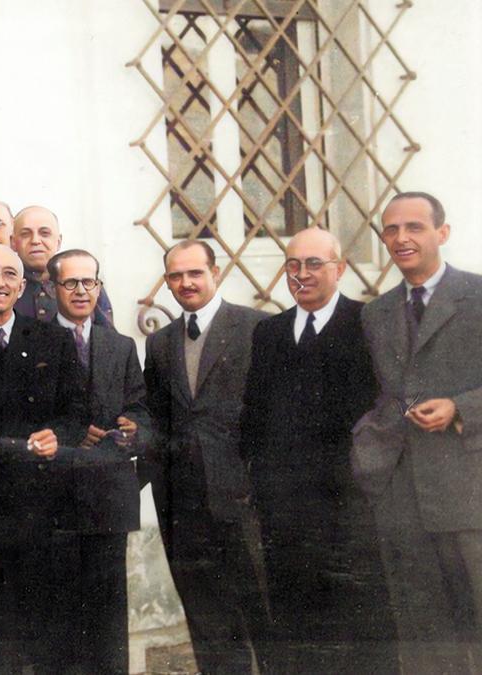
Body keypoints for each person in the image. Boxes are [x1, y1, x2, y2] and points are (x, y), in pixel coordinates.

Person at [240, 227, 396, 673]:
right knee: (295, 624)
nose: (301, 274)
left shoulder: (366, 324)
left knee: (358, 625)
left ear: (340, 269)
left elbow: (390, 403)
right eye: (293, 265)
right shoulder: (268, 332)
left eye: (314, 264)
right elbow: (253, 415)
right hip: (284, 512)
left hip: (350, 506)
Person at [353, 192, 482, 673]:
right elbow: (384, 394)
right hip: (404, 495)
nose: (401, 238)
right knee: (425, 636)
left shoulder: (478, 297)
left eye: (415, 227)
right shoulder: (376, 313)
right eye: (390, 230)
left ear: (442, 233)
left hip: (470, 489)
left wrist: (460, 407)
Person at [0, 243, 89, 672]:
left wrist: (57, 436)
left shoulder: (53, 339)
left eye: (9, 275)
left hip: (42, 502)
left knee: (49, 623)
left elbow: (76, 413)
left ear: (22, 286)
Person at [143, 239, 268, 674]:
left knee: (264, 614)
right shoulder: (159, 343)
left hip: (244, 499)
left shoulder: (258, 328)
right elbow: (155, 419)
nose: (185, 283)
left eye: (195, 273)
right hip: (185, 505)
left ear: (216, 273)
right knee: (208, 620)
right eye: (175, 276)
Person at [47, 248, 148, 674]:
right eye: (71, 282)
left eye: (89, 282)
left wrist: (133, 427)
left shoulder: (120, 345)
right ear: (53, 289)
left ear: (99, 287)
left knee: (109, 608)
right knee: (63, 610)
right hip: (57, 496)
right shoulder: (36, 339)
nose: (81, 290)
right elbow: (29, 414)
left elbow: (141, 406)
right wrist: (71, 435)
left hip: (110, 494)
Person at [12, 205, 114, 325]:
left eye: (44, 233)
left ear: (58, 241)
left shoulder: (87, 285)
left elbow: (108, 339)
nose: (35, 240)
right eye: (25, 234)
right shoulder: (5, 286)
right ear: (13, 242)